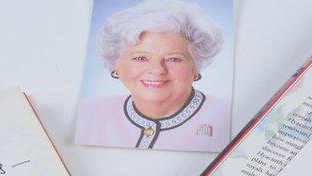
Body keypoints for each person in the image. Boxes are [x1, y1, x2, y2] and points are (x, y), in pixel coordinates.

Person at [76, 0, 230, 152]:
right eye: (140, 58)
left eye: (173, 59)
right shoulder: (86, 113)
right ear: (116, 64)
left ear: (196, 66)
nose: (157, 70)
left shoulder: (227, 117)